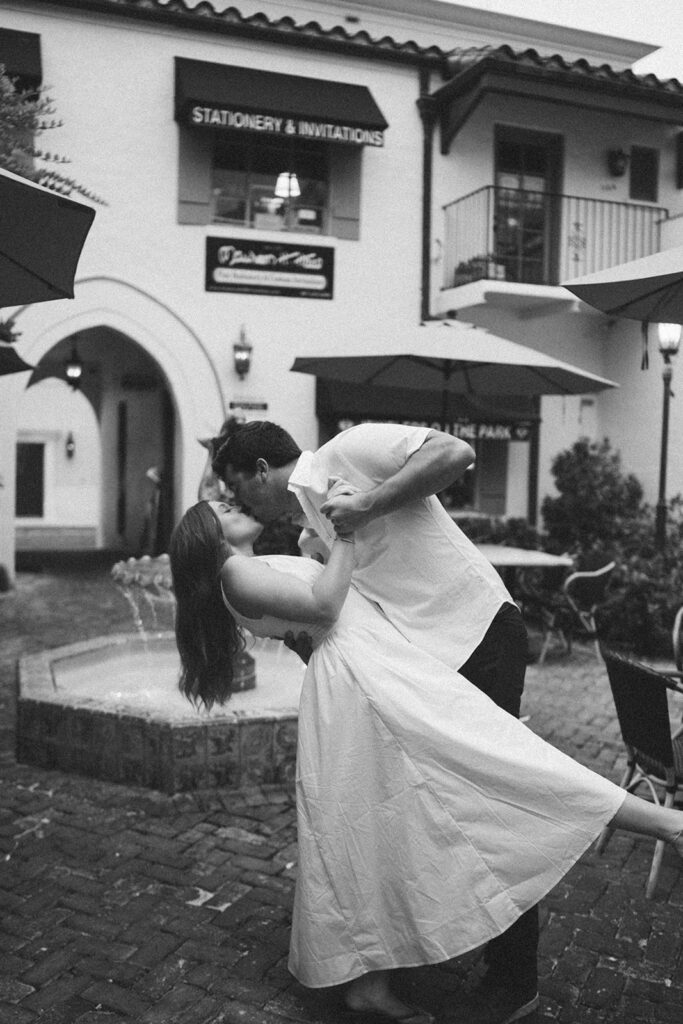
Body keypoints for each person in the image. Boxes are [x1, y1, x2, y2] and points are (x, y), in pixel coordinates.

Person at [169, 499, 683, 1024]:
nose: (235, 501)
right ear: (209, 534)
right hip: (368, 686)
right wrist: (343, 537)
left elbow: (315, 613)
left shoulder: (252, 567)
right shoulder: (234, 572)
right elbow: (323, 608)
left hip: (373, 674)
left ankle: (371, 980)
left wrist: (317, 551)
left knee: (382, 828)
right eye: (223, 505)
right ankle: (665, 824)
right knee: (499, 763)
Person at [212, 420, 537, 1023]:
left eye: (234, 488)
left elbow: (455, 453)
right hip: (428, 656)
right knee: (427, 804)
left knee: (492, 796)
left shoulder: (349, 450)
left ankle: (515, 978)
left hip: (479, 630)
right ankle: (436, 939)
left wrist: (365, 505)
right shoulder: (311, 528)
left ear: (261, 470)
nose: (236, 502)